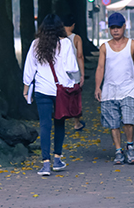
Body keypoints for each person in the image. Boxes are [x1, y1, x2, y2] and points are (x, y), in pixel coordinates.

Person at [22, 14, 79, 176]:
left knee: (45, 125)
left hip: (42, 90)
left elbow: (29, 69)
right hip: (61, 91)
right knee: (59, 124)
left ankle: (45, 163)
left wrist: (26, 90)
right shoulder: (66, 44)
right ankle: (57, 159)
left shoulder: (36, 45)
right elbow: (72, 68)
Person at [95, 12, 134, 165]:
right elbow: (100, 67)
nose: (116, 30)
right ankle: (118, 150)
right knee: (113, 123)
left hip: (128, 88)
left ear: (124, 27)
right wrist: (98, 87)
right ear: (109, 29)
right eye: (113, 28)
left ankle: (130, 146)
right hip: (110, 89)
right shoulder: (104, 47)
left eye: (118, 27)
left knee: (128, 119)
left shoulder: (133, 45)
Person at [62, 14, 86, 131]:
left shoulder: (57, 37)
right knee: (75, 97)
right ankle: (76, 122)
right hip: (74, 71)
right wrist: (82, 74)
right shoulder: (76, 38)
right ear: (73, 25)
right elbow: (80, 56)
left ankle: (61, 118)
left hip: (60, 72)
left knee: (62, 95)